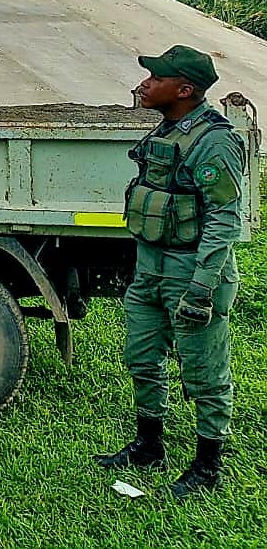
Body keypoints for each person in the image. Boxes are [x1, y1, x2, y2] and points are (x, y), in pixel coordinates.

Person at [94, 45, 244, 499]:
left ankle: (206, 468)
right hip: (151, 267)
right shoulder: (170, 129)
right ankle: (148, 446)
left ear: (184, 89)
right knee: (142, 358)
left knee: (204, 372)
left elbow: (224, 220)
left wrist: (201, 288)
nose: (144, 84)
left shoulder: (213, 141)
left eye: (155, 78)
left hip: (192, 270)